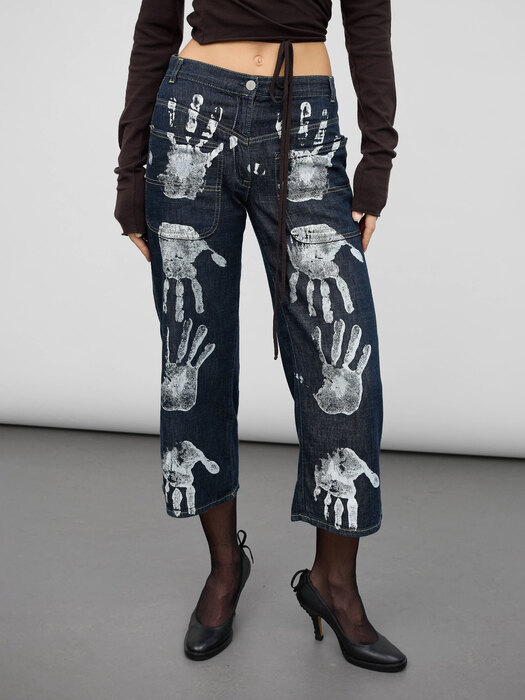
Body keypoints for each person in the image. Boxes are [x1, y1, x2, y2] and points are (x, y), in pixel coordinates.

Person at [113, 0, 407, 671]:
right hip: (190, 120)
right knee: (193, 353)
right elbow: (155, 27)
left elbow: (367, 21)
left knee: (340, 355)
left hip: (304, 120)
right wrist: (130, 173)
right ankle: (224, 568)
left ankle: (334, 585)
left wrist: (377, 160)